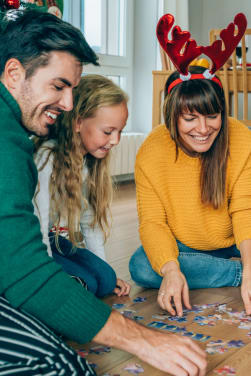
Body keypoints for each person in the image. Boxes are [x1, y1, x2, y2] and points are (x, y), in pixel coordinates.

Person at [0, 8, 207, 376]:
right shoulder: (17, 147)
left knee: (103, 279)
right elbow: (25, 268)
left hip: (35, 262)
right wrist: (141, 339)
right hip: (29, 268)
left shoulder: (18, 137)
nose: (66, 104)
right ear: (14, 73)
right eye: (58, 86)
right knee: (66, 365)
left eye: (72, 90)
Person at [129, 64, 251, 319]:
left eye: (211, 115)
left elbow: (244, 210)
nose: (203, 129)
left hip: (239, 240)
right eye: (190, 118)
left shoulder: (241, 137)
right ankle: (235, 274)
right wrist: (172, 270)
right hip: (185, 244)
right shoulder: (151, 151)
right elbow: (153, 223)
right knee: (141, 265)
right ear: (172, 116)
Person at [33, 74, 131, 298]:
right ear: (78, 123)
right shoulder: (47, 157)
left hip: (49, 238)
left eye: (120, 131)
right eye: (108, 132)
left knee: (105, 280)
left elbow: (90, 222)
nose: (115, 140)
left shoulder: (89, 162)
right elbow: (38, 225)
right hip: (30, 242)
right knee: (86, 285)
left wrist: (104, 267)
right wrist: (47, 277)